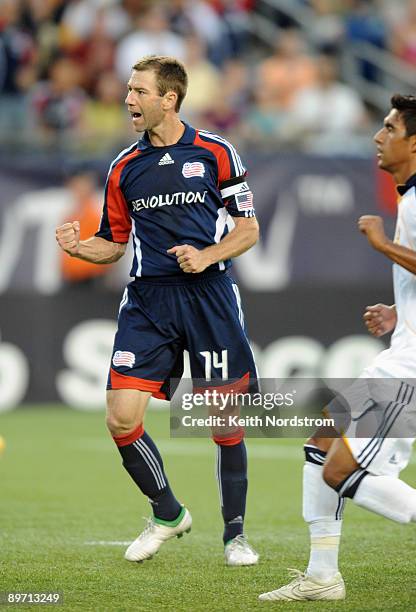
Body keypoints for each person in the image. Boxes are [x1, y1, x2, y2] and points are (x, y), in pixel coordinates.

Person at [56, 55, 259, 566]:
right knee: (121, 418)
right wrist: (80, 247)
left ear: (168, 99)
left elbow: (248, 229)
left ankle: (235, 536)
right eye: (128, 89)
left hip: (209, 297)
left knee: (224, 417)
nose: (129, 99)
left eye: (140, 91)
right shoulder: (124, 166)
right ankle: (167, 512)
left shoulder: (216, 152)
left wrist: (206, 255)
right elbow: (113, 242)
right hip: (148, 301)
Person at [259, 93, 416, 602]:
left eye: (391, 129)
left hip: (413, 367)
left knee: (338, 470)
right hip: (403, 350)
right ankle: (323, 576)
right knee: (321, 443)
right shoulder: (410, 194)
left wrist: (382, 245)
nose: (379, 136)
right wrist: (402, 312)